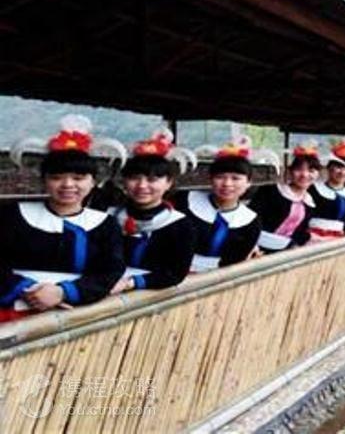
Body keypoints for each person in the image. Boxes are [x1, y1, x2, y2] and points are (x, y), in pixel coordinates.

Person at [0, 115, 127, 319]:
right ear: (44, 181)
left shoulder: (106, 224)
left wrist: (63, 292)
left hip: (77, 312)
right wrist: (26, 289)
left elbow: (109, 272)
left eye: (78, 178)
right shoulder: (13, 215)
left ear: (93, 182)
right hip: (12, 309)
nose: (68, 185)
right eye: (56, 177)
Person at [109, 128, 197, 293]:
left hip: (151, 295)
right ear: (124, 181)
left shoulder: (180, 225)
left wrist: (131, 282)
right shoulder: (109, 217)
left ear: (169, 183)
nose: (142, 186)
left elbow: (174, 273)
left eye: (152, 179)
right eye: (134, 178)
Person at [173, 136, 261, 272]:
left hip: (220, 277)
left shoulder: (251, 221)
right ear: (210, 179)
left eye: (235, 178)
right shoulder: (185, 201)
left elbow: (238, 261)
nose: (227, 184)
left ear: (248, 183)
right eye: (220, 177)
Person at [250, 142, 320, 253]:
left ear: (317, 174)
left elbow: (300, 232)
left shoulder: (310, 201)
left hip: (286, 252)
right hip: (257, 248)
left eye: (311, 171)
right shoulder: (270, 191)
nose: (304, 175)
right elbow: (251, 221)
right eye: (299, 169)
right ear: (290, 171)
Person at [307, 136, 345, 241]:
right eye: (338, 167)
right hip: (312, 238)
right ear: (329, 168)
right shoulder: (314, 189)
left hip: (338, 241)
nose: (342, 172)